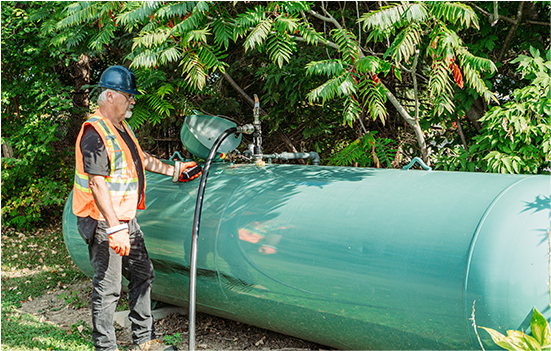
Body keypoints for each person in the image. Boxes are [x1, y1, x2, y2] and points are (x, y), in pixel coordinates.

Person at [72, 65, 200, 351]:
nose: (132, 101)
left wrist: (174, 170)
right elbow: (96, 183)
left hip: (124, 219)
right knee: (109, 289)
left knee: (143, 274)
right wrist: (115, 227)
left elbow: (140, 159)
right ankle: (106, 348)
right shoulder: (94, 133)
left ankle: (144, 341)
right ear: (110, 96)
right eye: (128, 95)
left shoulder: (121, 128)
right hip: (104, 221)